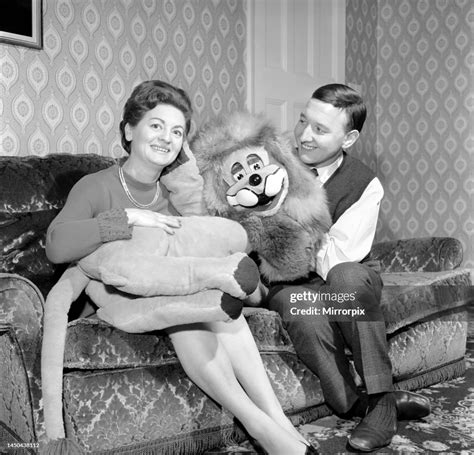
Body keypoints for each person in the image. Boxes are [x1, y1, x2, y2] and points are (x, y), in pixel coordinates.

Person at [46, 80, 317, 455]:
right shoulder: (97, 185)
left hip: (176, 288)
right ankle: (260, 427)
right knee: (188, 315)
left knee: (219, 306)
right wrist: (125, 219)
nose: (166, 138)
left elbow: (203, 246)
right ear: (129, 130)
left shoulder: (174, 194)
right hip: (120, 294)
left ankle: (277, 421)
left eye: (176, 131)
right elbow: (56, 247)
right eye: (156, 125)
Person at [267, 83, 430, 452]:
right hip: (291, 280)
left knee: (345, 279)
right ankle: (354, 404)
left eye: (320, 130)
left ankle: (383, 401)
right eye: (303, 121)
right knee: (298, 307)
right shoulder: (275, 162)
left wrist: (291, 223)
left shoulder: (364, 184)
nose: (304, 136)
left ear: (349, 138)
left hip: (348, 273)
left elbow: (338, 257)